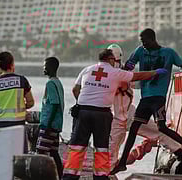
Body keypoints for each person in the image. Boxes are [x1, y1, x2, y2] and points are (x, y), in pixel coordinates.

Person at [63, 49, 167, 180]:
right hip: (101, 114)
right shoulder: (114, 72)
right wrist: (155, 72)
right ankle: (100, 176)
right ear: (111, 60)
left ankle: (69, 176)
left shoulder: (87, 69)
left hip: (83, 111)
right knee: (101, 147)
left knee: (77, 146)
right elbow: (137, 76)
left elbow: (75, 89)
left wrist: (81, 102)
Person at [111, 28, 182, 175]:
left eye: (144, 41)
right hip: (139, 103)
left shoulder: (168, 53)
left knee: (160, 128)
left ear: (152, 39)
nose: (143, 45)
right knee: (134, 131)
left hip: (151, 102)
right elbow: (129, 69)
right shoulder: (138, 53)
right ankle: (120, 163)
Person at [0, 52, 34, 134]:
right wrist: (21, 107)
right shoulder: (22, 80)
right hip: (17, 122)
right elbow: (31, 102)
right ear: (12, 64)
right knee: (18, 146)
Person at [36, 57, 65, 179]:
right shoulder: (58, 82)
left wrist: (47, 125)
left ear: (51, 68)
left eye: (45, 66)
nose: (44, 68)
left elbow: (54, 104)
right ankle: (60, 175)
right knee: (53, 152)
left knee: (41, 151)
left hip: (49, 124)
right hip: (56, 124)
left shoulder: (50, 83)